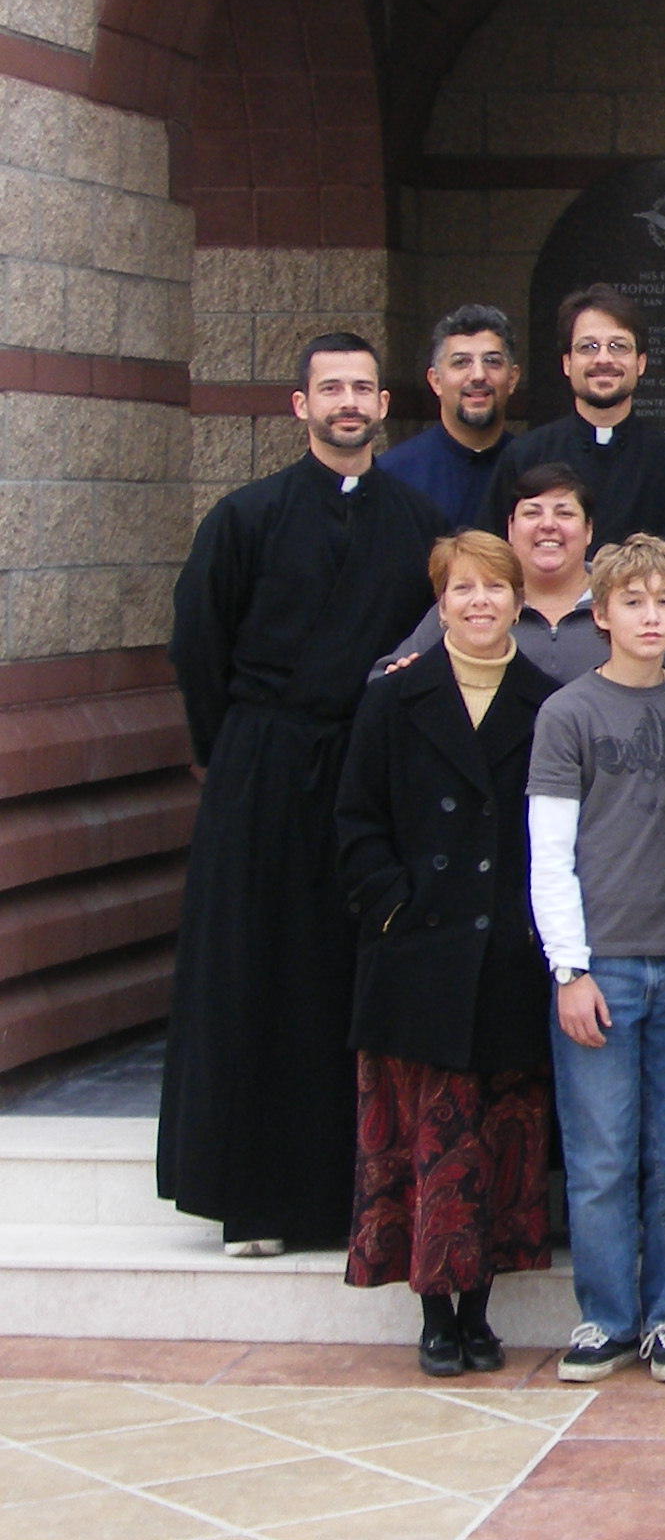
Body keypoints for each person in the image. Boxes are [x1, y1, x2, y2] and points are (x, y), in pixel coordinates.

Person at [162, 332, 448, 1255]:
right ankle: (258, 1199)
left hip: (367, 768)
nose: (349, 403)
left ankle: (367, 1193)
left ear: (384, 403)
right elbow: (198, 648)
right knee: (257, 973)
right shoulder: (243, 519)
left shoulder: (416, 522)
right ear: (302, 406)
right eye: (331, 389)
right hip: (263, 768)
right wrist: (235, 752)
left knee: (351, 977)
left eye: (364, 386)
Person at [336, 529, 558, 1376]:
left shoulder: (547, 702)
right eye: (461, 589)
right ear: (440, 602)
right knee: (427, 1142)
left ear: (516, 599)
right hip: (416, 957)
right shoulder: (395, 698)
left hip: (505, 954)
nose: (478, 603)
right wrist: (394, 906)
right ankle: (434, 1311)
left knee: (500, 1141)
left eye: (493, 589)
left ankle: (480, 1310)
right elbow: (356, 819)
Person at [527, 533, 665, 1386]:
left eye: (664, 602)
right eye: (632, 602)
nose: (650, 616)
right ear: (600, 614)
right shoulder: (568, 714)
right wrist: (568, 969)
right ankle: (605, 1316)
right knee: (602, 1155)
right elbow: (549, 854)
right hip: (598, 966)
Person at [378, 465, 665, 686]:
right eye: (532, 513)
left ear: (589, 529)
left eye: (564, 513)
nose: (547, 525)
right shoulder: (479, 602)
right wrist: (405, 676)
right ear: (510, 528)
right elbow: (387, 678)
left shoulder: (631, 600)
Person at [483, 285, 665, 548]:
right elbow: (493, 555)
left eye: (618, 346)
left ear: (640, 363)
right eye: (588, 347)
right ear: (567, 363)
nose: (603, 359)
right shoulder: (525, 456)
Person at [379, 304, 521, 529]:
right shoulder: (392, 476)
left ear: (512, 379)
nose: (478, 376)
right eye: (461, 362)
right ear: (435, 381)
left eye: (492, 361)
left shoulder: (535, 468)